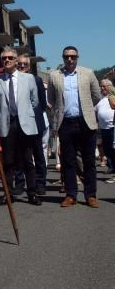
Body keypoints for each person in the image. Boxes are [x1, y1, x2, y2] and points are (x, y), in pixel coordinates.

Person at [47, 46, 101, 208]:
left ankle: (90, 195)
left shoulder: (88, 73)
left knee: (89, 160)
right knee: (68, 161)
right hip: (66, 123)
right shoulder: (54, 76)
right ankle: (71, 195)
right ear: (62, 58)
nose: (69, 59)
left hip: (85, 122)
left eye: (73, 56)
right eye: (66, 57)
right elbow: (51, 98)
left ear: (78, 57)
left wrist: (86, 109)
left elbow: (97, 95)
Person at [0, 47, 42, 206]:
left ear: (15, 60)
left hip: (25, 123)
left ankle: (32, 192)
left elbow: (34, 101)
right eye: (4, 58)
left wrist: (25, 113)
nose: (6, 60)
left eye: (9, 58)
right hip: (8, 123)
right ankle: (8, 193)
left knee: (28, 159)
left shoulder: (28, 78)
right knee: (8, 161)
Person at [17, 54, 49, 195]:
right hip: (18, 125)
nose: (22, 66)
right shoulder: (13, 81)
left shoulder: (37, 80)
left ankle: (40, 183)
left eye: (25, 64)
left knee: (38, 154)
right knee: (20, 156)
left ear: (29, 67)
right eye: (20, 64)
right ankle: (19, 183)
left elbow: (42, 103)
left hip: (35, 122)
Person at [95, 79, 115, 183]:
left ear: (110, 86)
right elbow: (95, 110)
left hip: (112, 127)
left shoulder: (113, 96)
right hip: (103, 128)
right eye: (101, 86)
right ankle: (112, 167)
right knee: (107, 150)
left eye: (104, 86)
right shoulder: (100, 99)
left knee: (113, 149)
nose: (102, 88)